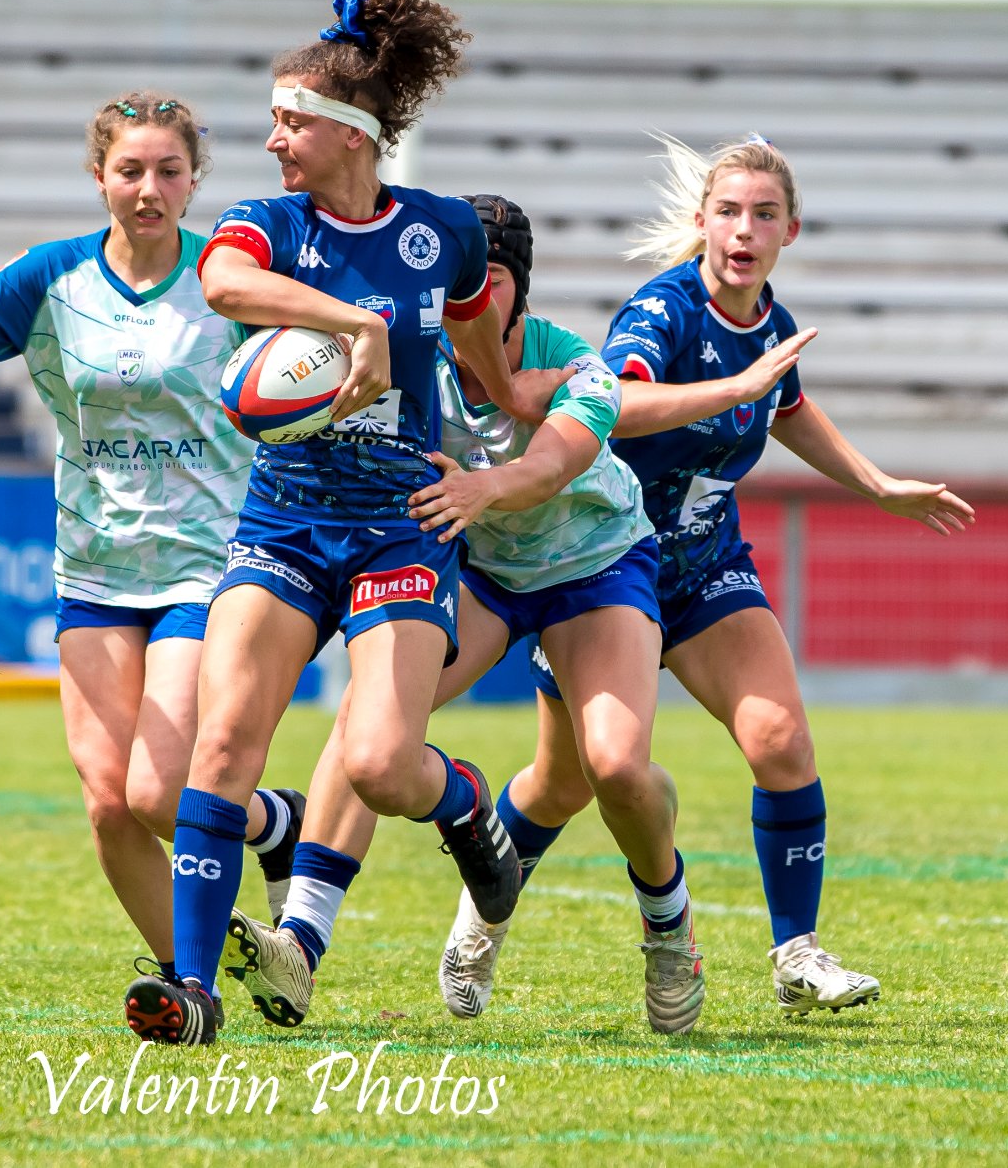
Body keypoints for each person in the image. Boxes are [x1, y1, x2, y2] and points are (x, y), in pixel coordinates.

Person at [448, 135, 975, 1018]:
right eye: (728, 211)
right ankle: (482, 920)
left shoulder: (767, 324)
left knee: (781, 740)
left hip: (702, 566)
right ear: (701, 224)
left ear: (790, 231)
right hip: (602, 565)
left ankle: (797, 955)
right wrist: (738, 388)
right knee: (567, 781)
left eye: (763, 215)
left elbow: (791, 408)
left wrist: (879, 484)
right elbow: (618, 400)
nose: (744, 228)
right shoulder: (664, 313)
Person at [121, 0, 532, 1047]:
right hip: (286, 520)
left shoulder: (440, 230)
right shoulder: (267, 223)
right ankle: (193, 986)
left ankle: (463, 807)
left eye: (288, 122)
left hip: (401, 524)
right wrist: (355, 325)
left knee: (383, 764)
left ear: (347, 130)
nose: (271, 141)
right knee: (221, 749)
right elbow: (221, 282)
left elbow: (479, 355)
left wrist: (498, 434)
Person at [0, 91, 306, 1015]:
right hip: (94, 570)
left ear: (194, 181)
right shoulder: (52, 277)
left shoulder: (230, 278)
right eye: (130, 170)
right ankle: (205, 983)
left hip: (206, 564)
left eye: (169, 171)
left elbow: (310, 373)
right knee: (108, 806)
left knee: (156, 791)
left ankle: (268, 823)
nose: (149, 189)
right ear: (99, 176)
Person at [221, 194, 709, 1036]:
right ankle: (301, 940)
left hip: (593, 565)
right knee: (370, 723)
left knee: (615, 768)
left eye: (482, 286)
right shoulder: (417, 355)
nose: (463, 304)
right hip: (483, 566)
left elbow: (549, 468)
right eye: (450, 287)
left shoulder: (574, 361)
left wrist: (484, 482)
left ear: (515, 290)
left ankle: (668, 924)